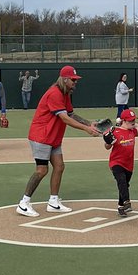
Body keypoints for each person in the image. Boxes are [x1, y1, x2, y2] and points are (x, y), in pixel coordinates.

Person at [16, 65, 103, 217]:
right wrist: (86, 129)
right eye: (73, 80)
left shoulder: (65, 94)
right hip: (41, 136)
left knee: (59, 166)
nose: (76, 83)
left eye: (76, 80)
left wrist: (89, 123)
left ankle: (53, 202)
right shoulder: (55, 93)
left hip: (53, 137)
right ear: (65, 79)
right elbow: (65, 118)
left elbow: (70, 114)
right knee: (42, 170)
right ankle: (23, 203)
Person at [106, 108, 138, 215]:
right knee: (121, 181)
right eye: (130, 120)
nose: (133, 122)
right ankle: (127, 202)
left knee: (125, 184)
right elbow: (107, 147)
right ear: (124, 121)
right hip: (116, 162)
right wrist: (108, 140)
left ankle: (121, 206)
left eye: (134, 120)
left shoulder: (132, 131)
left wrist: (129, 123)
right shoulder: (115, 132)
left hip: (129, 164)